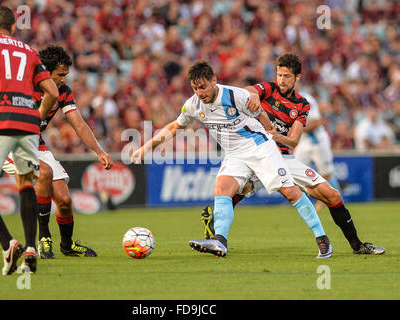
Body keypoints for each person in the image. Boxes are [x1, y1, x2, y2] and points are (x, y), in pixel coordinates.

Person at [132, 60, 332, 259]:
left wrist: (271, 135)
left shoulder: (234, 95)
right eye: (195, 88)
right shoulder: (193, 105)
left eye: (203, 87)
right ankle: (220, 241)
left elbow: (261, 114)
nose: (200, 93)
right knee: (222, 187)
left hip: (259, 147)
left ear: (214, 81)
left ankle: (322, 239)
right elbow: (175, 127)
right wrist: (146, 147)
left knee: (290, 192)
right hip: (235, 154)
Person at [201, 53, 385, 255]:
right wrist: (252, 97)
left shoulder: (302, 105)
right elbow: (249, 90)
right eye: (279, 74)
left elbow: (295, 140)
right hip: (255, 152)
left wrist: (277, 136)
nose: (281, 80)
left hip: (282, 156)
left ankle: (357, 245)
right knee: (239, 187)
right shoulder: (268, 88)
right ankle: (217, 233)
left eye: (286, 76)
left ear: (297, 77)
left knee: (331, 195)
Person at [0, 5, 59, 275]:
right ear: (14, 27)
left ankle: (8, 244)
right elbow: (51, 90)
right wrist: (36, 116)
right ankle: (31, 247)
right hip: (27, 122)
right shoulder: (29, 50)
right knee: (25, 181)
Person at [3, 45, 113, 259]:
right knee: (44, 174)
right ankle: (44, 238)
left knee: (64, 200)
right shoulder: (24, 87)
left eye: (66, 75)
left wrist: (99, 151)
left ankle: (67, 245)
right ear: (45, 71)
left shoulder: (63, 91)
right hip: (10, 143)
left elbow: (79, 124)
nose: (64, 79)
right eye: (60, 75)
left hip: (37, 145)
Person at [293, 91, 342, 211]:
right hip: (303, 143)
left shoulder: (307, 99)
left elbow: (316, 122)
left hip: (317, 141)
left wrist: (297, 130)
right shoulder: (282, 100)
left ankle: (340, 205)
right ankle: (308, 203)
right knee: (294, 172)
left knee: (326, 175)